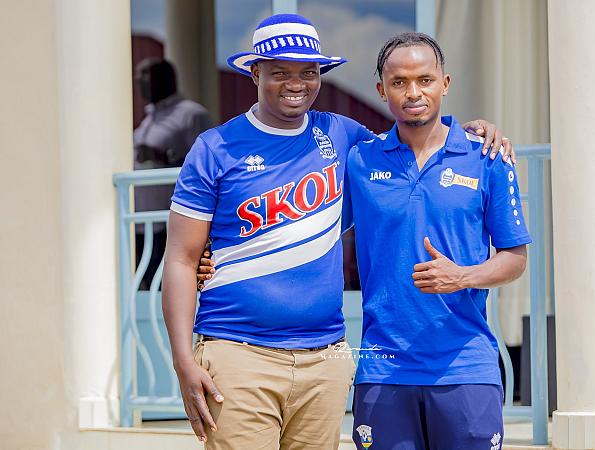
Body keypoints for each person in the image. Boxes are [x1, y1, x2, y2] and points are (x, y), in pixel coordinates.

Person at [167, 14, 510, 449]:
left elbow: (412, 141)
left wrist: (475, 131)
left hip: (324, 360)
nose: (296, 84)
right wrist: (182, 360)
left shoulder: (342, 134)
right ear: (254, 73)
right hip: (239, 352)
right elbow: (181, 259)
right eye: (280, 72)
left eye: (308, 72)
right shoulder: (215, 147)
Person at [344, 33, 531, 450]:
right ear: (382, 90)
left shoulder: (488, 157)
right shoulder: (359, 160)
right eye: (399, 82)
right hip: (383, 369)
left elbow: (515, 258)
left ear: (445, 84)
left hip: (466, 368)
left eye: (425, 80)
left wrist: (461, 276)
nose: (413, 92)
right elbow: (310, 226)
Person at [133, 57, 214, 288]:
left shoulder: (191, 114)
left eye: (145, 75)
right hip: (142, 221)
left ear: (166, 78)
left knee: (169, 285)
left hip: (171, 221)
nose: (138, 81)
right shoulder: (150, 116)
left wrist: (163, 156)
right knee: (147, 287)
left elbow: (209, 163)